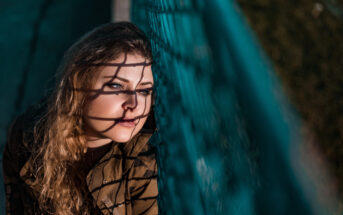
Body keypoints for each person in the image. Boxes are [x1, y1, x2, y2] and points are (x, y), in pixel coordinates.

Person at [3, 22, 158, 215]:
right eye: (116, 86)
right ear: (80, 85)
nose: (134, 104)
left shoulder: (142, 165)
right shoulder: (27, 136)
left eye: (144, 90)